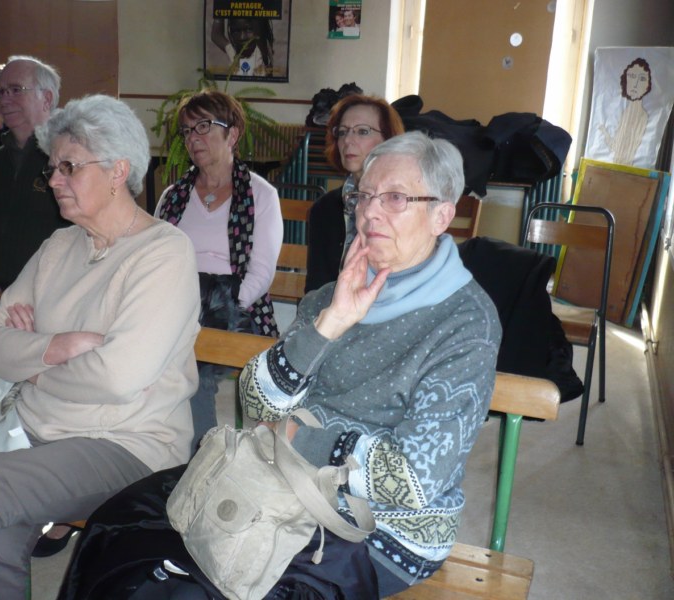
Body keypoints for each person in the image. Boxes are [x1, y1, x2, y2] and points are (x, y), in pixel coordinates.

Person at [58, 131, 502, 599]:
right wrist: (328, 325)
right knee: (116, 529)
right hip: (270, 479)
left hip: (376, 531)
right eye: (364, 195)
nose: (369, 211)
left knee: (185, 589)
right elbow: (254, 400)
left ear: (441, 215)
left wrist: (295, 434)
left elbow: (412, 479)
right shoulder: (330, 297)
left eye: (394, 198)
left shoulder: (465, 323)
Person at [0, 94, 201, 599]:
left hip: (125, 442)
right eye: (53, 167)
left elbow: (119, 379)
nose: (53, 179)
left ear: (119, 170)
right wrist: (58, 347)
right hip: (32, 433)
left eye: (68, 167)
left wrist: (29, 359)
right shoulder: (59, 246)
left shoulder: (163, 253)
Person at [155, 89, 282, 454]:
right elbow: (155, 257)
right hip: (177, 297)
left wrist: (222, 304)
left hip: (235, 302)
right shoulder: (173, 196)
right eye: (187, 131)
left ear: (233, 134)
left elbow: (260, 274)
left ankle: (201, 461)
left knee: (191, 371)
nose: (194, 138)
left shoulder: (260, 195)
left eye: (204, 126)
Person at [0, 55, 70, 292]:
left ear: (46, 98)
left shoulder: (71, 159)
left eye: (16, 90)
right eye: (0, 92)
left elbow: (92, 236)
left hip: (55, 295)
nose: (3, 100)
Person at [305, 93, 404, 293]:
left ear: (388, 139)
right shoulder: (324, 209)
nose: (348, 140)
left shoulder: (404, 206)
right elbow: (316, 288)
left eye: (362, 131)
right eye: (342, 132)